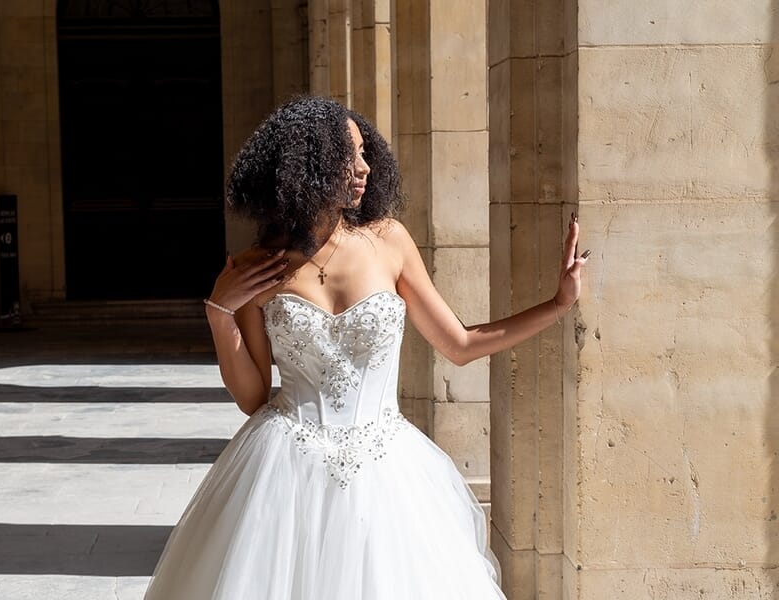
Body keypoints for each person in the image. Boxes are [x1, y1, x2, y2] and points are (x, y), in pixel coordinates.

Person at [143, 96, 589, 600]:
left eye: (364, 153)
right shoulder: (256, 266)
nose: (364, 168)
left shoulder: (390, 241)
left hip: (387, 469)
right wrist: (218, 313)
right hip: (285, 468)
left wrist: (556, 304)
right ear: (306, 164)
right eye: (347, 156)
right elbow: (252, 396)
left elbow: (460, 345)